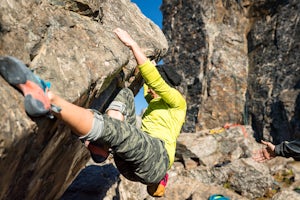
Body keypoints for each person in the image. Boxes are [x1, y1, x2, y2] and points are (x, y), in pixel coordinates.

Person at [0, 28, 187, 197]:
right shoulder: (154, 102)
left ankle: (49, 100)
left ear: (168, 87)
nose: (149, 89)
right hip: (129, 165)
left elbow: (154, 81)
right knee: (125, 94)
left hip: (157, 158)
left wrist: (133, 45)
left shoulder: (178, 103)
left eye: (157, 87)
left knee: (123, 133)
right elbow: (151, 84)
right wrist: (152, 65)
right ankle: (102, 147)